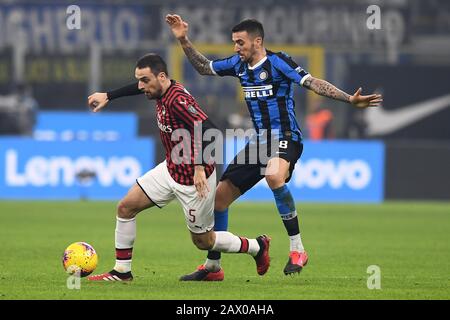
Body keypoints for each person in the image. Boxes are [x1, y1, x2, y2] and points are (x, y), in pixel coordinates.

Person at [166, 14, 383, 279]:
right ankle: (214, 266)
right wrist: (183, 39)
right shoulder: (238, 64)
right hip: (260, 143)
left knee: (273, 175)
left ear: (257, 41)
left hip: (287, 136)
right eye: (234, 42)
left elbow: (313, 82)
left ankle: (297, 249)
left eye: (240, 42)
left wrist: (349, 99)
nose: (236, 48)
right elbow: (203, 67)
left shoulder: (279, 62)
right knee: (219, 200)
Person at [86, 53, 270, 282]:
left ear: (161, 77)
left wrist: (199, 168)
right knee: (125, 207)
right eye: (139, 80)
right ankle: (122, 272)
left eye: (145, 80)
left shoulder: (177, 101)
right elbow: (140, 87)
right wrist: (109, 96)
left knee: (204, 241)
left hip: (193, 181)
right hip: (170, 169)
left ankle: (256, 247)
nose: (141, 86)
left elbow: (211, 132)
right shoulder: (159, 88)